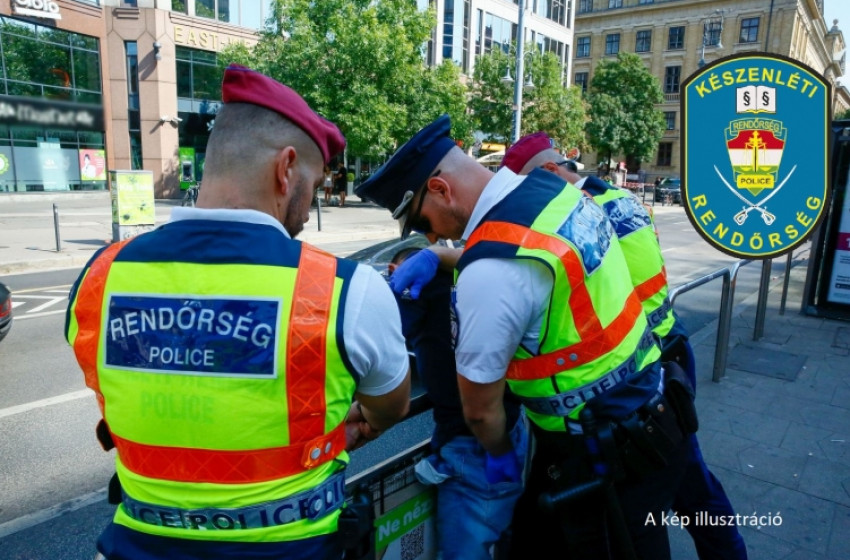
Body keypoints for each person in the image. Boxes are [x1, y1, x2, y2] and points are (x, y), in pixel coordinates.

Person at [64, 64, 411, 560]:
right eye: (312, 183)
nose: (309, 201)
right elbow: (390, 405)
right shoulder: (343, 290)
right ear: (286, 168)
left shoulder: (99, 278)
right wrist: (355, 425)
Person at [356, 114, 695, 559]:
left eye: (423, 223)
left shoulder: (490, 271)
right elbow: (534, 264)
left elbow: (480, 411)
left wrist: (498, 454)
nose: (432, 234)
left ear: (440, 190)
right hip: (650, 411)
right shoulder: (554, 193)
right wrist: (442, 257)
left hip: (596, 452)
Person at [501, 132, 747, 560]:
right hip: (663, 346)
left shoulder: (581, 214)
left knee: (681, 482)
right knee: (679, 478)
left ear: (549, 172)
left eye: (529, 187)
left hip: (647, 362)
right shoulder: (614, 197)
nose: (529, 200)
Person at [389, 247, 527, 560]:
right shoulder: (477, 279)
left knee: (464, 550)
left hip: (476, 444)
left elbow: (384, 343)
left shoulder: (416, 293)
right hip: (510, 423)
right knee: (503, 527)